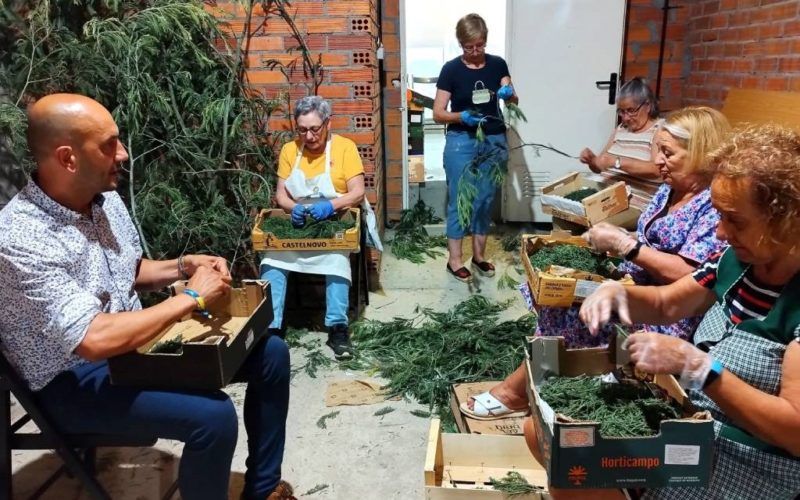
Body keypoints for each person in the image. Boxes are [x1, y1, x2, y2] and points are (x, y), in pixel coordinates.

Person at [0, 94, 293, 500]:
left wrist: (183, 266)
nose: (122, 153)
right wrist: (191, 296)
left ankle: (263, 489)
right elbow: (93, 340)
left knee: (271, 354)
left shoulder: (103, 200)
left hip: (131, 350)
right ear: (68, 158)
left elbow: (128, 270)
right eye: (108, 144)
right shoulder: (21, 236)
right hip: (69, 381)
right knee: (213, 417)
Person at [575, 124, 800, 499]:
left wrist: (697, 367)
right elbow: (667, 303)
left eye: (736, 220)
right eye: (719, 216)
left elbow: (794, 432)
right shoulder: (736, 261)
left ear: (788, 221)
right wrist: (617, 293)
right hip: (695, 424)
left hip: (753, 458)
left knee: (587, 470)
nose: (722, 233)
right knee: (564, 447)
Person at [462, 107, 729, 420]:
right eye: (658, 151)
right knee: (555, 290)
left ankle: (517, 392)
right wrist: (617, 237)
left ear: (701, 154)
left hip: (669, 308)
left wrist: (626, 247)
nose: (657, 161)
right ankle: (551, 376)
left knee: (570, 308)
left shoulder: (713, 206)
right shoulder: (670, 190)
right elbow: (648, 239)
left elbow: (692, 275)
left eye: (668, 153)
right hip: (632, 283)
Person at [260, 96, 381, 360]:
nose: (309, 136)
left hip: (336, 219)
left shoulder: (344, 148)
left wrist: (330, 206)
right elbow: (281, 195)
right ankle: (272, 328)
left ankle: (337, 328)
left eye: (315, 129)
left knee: (336, 259)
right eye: (302, 130)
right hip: (301, 222)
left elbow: (357, 193)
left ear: (328, 123)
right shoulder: (290, 150)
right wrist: (294, 210)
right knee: (272, 259)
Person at [433, 13, 517, 283]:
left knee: (483, 200)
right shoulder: (451, 70)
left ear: (485, 41)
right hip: (462, 141)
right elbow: (437, 113)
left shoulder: (497, 64)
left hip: (493, 139)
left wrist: (508, 94)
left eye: (479, 45)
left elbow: (513, 98)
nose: (475, 51)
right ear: (461, 44)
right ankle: (454, 260)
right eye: (469, 47)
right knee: (462, 199)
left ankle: (479, 256)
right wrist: (460, 116)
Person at [580, 77, 661, 180]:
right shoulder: (621, 128)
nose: (626, 118)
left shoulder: (659, 129)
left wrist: (616, 162)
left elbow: (656, 170)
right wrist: (592, 160)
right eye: (622, 112)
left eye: (631, 110)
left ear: (648, 106)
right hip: (606, 191)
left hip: (631, 195)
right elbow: (599, 169)